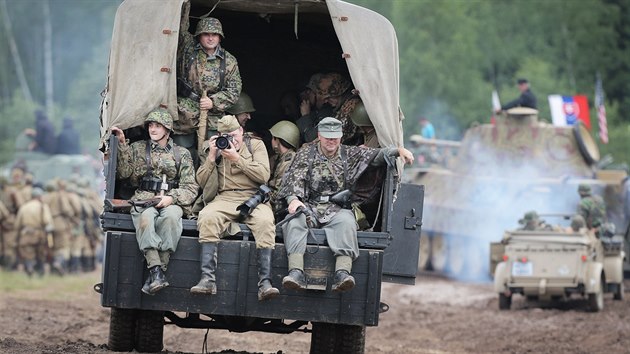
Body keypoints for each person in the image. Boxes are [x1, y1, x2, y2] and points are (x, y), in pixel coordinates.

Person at [277, 117, 414, 292]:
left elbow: (376, 156)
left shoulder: (348, 154)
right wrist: (294, 200)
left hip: (335, 208)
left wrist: (399, 150)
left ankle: (342, 273)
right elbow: (295, 179)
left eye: (335, 137)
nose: (331, 141)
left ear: (341, 137)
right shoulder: (306, 154)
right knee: (294, 221)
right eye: (327, 136)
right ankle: (295, 271)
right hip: (309, 205)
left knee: (347, 222)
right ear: (319, 135)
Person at [111, 108, 198, 295]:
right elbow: (124, 174)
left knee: (171, 218)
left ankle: (158, 272)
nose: (153, 129)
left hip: (170, 200)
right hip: (145, 198)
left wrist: (171, 198)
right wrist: (122, 145)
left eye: (158, 126)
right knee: (146, 218)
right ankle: (156, 270)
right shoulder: (138, 148)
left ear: (167, 129)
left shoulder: (181, 154)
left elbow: (191, 187)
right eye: (151, 125)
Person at [192, 115, 279, 301]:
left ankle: (265, 283)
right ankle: (207, 279)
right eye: (226, 136)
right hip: (225, 197)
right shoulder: (215, 147)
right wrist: (211, 157)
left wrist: (237, 158)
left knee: (265, 221)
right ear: (219, 135)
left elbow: (264, 175)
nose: (232, 139)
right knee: (207, 216)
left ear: (241, 131)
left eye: (234, 134)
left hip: (254, 198)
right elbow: (200, 181)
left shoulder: (255, 145)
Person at [175, 5, 242, 162]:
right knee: (182, 154)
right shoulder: (188, 49)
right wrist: (183, 4)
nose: (210, 38)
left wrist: (213, 102)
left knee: (212, 156)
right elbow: (180, 27)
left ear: (220, 37)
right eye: (206, 34)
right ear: (199, 36)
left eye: (214, 34)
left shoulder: (229, 60)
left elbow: (234, 90)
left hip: (213, 118)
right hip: (185, 113)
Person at [15, 187, 53, 277]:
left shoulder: (24, 207)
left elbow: (17, 224)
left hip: (26, 234)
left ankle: (29, 267)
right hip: (39, 234)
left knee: (28, 253)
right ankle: (40, 272)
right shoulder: (43, 206)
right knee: (40, 254)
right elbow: (47, 221)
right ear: (40, 196)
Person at [268, 120, 299, 215]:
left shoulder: (288, 161)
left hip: (280, 205)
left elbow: (278, 192)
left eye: (273, 138)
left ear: (277, 140)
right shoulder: (282, 158)